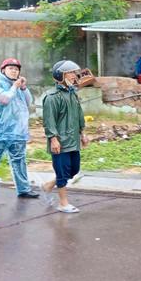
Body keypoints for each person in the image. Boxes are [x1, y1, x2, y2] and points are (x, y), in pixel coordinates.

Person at [0, 58, 39, 199]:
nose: (14, 71)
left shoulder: (17, 85)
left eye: (16, 69)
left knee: (19, 160)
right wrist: (15, 86)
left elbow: (29, 102)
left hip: (17, 131)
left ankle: (24, 189)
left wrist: (23, 88)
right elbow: (4, 99)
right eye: (11, 68)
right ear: (3, 70)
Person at [41, 60, 88, 213]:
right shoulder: (52, 97)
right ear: (60, 75)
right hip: (60, 142)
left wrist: (82, 133)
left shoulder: (73, 94)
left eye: (75, 72)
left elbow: (79, 115)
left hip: (73, 139)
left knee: (74, 169)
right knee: (62, 172)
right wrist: (53, 139)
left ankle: (48, 185)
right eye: (70, 73)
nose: (74, 76)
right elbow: (49, 121)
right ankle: (63, 203)